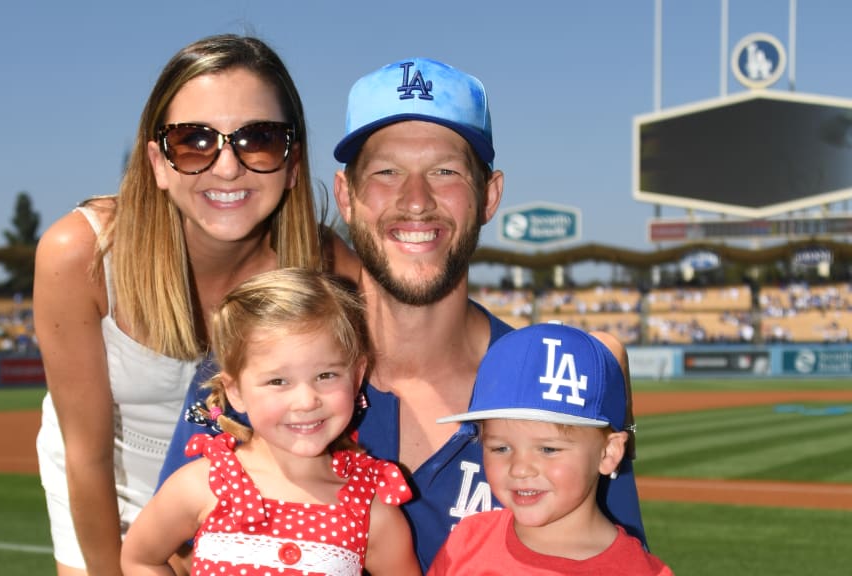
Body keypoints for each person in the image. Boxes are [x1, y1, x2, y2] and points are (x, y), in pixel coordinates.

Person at [159, 56, 646, 571]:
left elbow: (617, 559)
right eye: (387, 173)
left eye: (445, 172)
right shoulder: (259, 364)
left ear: (489, 196)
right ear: (346, 197)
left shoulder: (559, 384)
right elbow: (168, 553)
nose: (416, 201)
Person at [33, 35, 357, 576]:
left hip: (252, 478)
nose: (227, 167)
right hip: (109, 479)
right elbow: (86, 458)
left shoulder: (325, 265)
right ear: (158, 161)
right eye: (194, 141)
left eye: (258, 139)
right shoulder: (82, 254)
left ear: (292, 161)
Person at [121, 268, 420, 576]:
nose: (306, 401)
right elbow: (140, 558)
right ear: (235, 391)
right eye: (278, 381)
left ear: (357, 377)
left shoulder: (374, 514)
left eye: (326, 375)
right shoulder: (200, 485)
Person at [427, 323, 672, 575]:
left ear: (608, 452)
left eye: (548, 449)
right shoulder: (465, 541)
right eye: (500, 448)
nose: (520, 469)